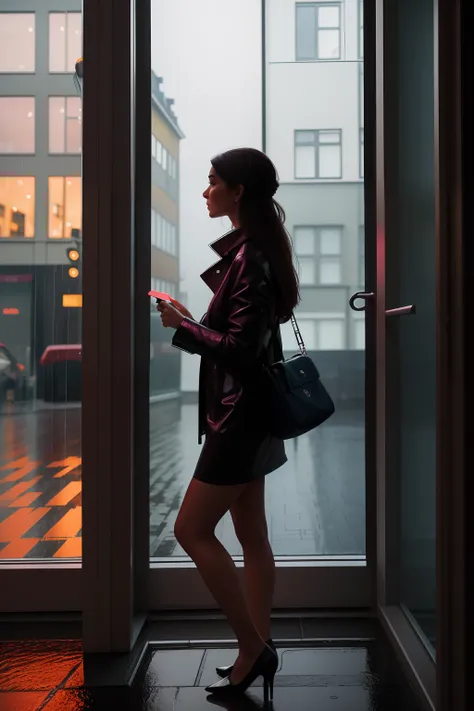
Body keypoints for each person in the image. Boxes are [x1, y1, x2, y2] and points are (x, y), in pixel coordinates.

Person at [157, 147, 300, 700]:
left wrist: (183, 328)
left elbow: (238, 350)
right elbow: (244, 339)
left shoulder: (250, 258)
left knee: (190, 530)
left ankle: (254, 647)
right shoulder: (254, 251)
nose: (205, 190)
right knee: (251, 536)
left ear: (238, 191)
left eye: (213, 181)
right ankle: (252, 652)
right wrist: (191, 321)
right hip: (252, 411)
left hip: (240, 418)